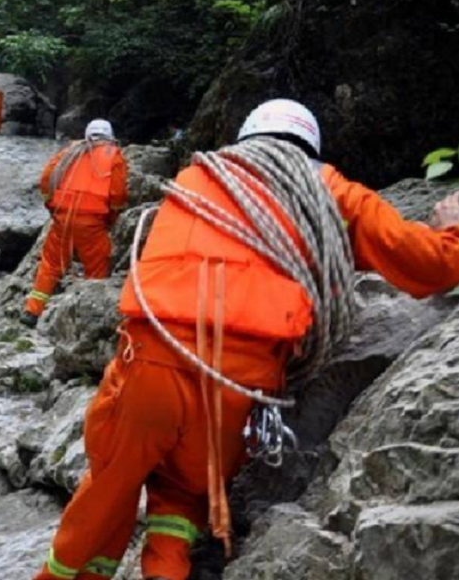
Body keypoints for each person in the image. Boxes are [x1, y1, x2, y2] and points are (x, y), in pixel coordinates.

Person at [31, 99, 459, 580]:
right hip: (241, 385)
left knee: (112, 485)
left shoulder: (196, 179)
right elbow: (428, 266)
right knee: (183, 496)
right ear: (310, 145)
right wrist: (451, 230)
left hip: (152, 362)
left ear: (247, 137)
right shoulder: (329, 193)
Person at [22, 120, 129, 328]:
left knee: (51, 264)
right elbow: (117, 194)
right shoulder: (113, 155)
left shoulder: (72, 151)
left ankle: (32, 311)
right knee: (97, 269)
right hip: (92, 222)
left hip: (62, 217)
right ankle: (89, 317)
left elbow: (46, 178)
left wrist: (51, 206)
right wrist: (112, 219)